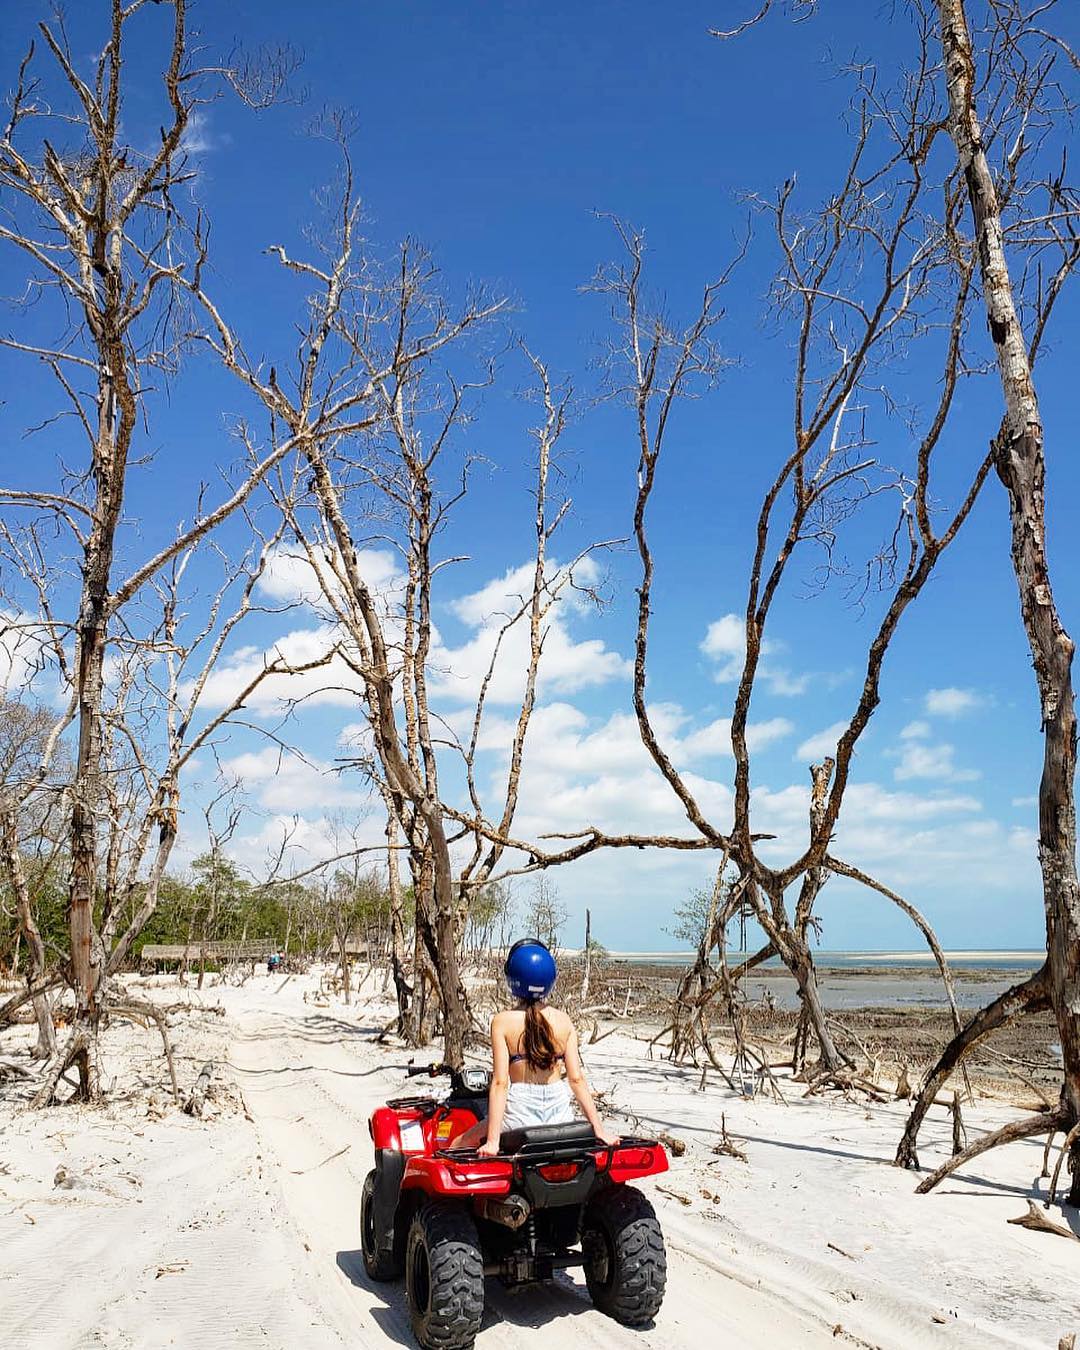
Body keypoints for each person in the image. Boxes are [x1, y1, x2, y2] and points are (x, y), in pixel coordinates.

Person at [452, 938, 620, 1154]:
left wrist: (493, 1141)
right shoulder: (564, 1020)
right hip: (559, 1112)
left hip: (520, 1110)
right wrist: (600, 1131)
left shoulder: (502, 1021)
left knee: (459, 1143)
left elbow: (501, 1083)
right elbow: (576, 1080)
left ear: (513, 978)